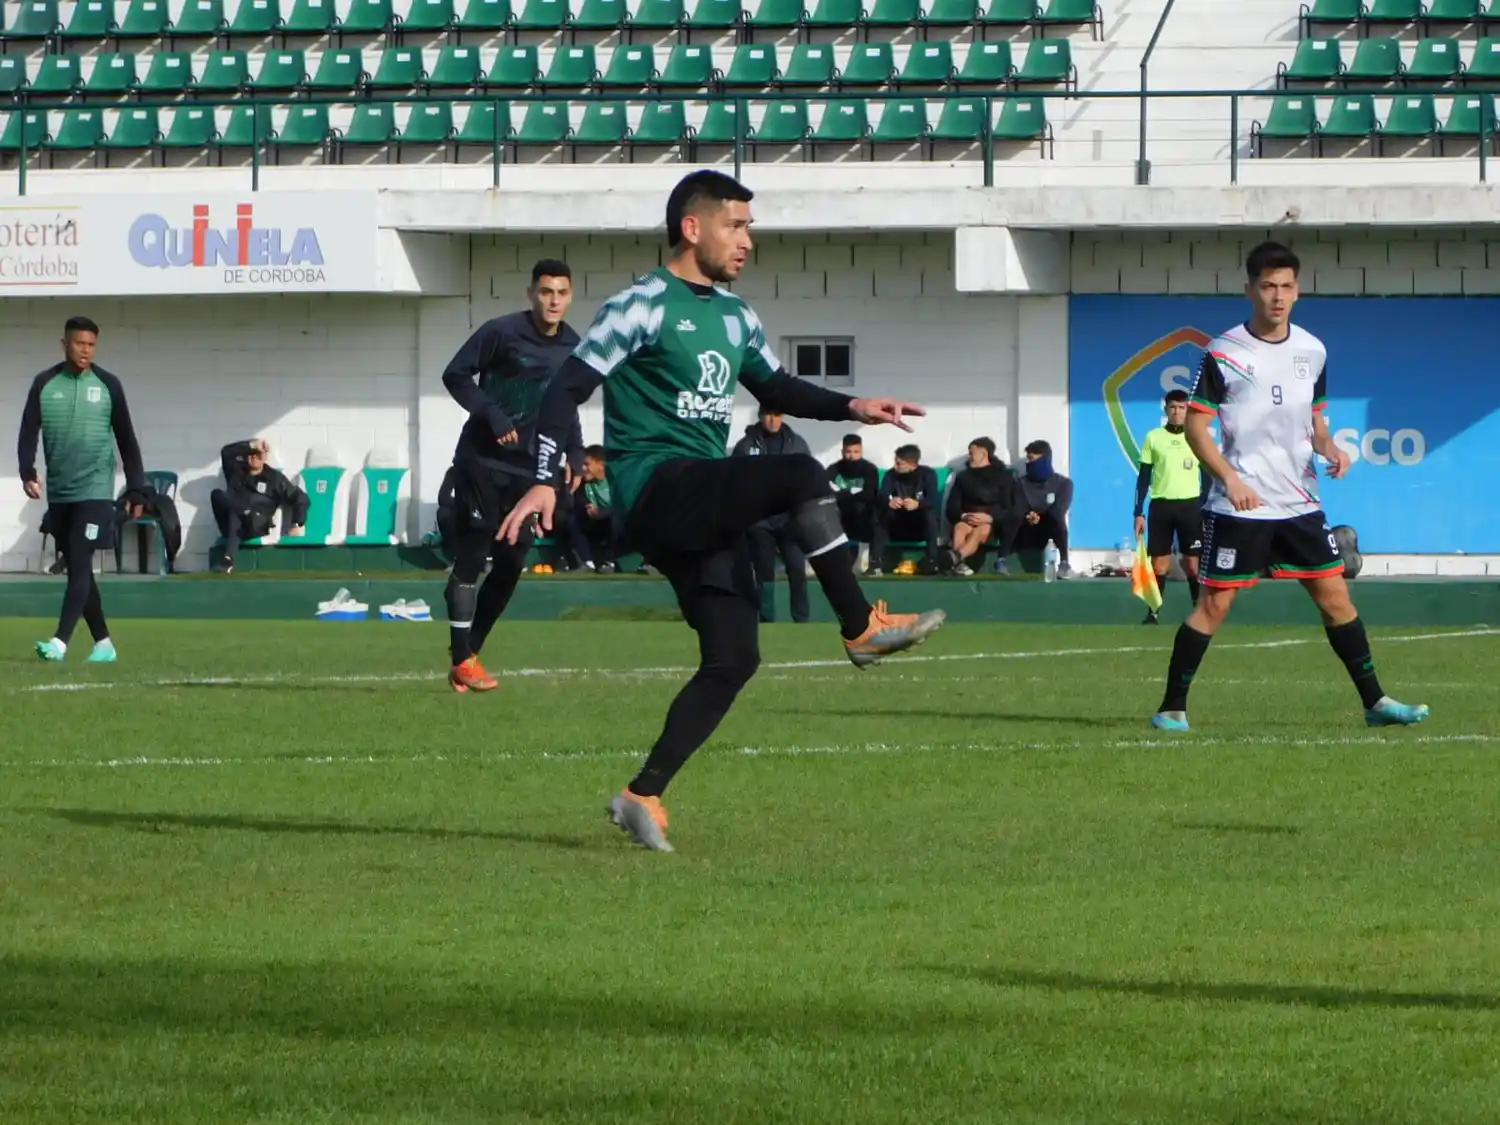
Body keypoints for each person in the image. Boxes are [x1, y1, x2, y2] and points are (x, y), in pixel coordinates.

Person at [498, 169, 946, 853]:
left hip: (699, 505)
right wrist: (543, 479)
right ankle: (860, 625)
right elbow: (566, 390)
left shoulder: (736, 316)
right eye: (737, 225)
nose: (748, 240)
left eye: (749, 227)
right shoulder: (641, 304)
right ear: (692, 227)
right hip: (655, 487)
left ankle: (641, 793)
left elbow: (777, 385)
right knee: (797, 470)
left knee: (734, 657)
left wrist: (854, 405)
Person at [1151, 241, 1428, 732]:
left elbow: (1317, 420)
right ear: (1250, 290)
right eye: (1268, 286)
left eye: (1286, 286)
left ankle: (1376, 702)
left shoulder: (1313, 350)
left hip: (1300, 504)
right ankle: (1172, 708)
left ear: (1297, 291)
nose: (1278, 296)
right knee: (1214, 605)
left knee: (1336, 598)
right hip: (1240, 508)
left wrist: (1329, 447)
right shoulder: (1223, 352)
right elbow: (1196, 428)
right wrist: (1230, 479)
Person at [440, 258, 584, 693]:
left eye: (561, 293)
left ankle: (467, 653)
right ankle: (463, 655)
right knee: (474, 553)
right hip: (481, 462)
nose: (553, 300)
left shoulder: (574, 346)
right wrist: (493, 416)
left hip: (529, 473)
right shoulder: (499, 332)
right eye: (545, 292)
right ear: (531, 294)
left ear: (570, 297)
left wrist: (574, 452)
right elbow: (455, 375)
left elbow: (567, 404)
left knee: (512, 562)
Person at [17, 316, 145, 663]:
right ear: (65, 344)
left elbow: (127, 440)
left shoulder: (108, 385)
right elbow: (28, 430)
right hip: (60, 493)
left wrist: (137, 490)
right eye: (79, 344)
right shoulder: (45, 383)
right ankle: (104, 643)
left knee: (80, 557)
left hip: (96, 491)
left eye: (91, 345)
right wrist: (27, 470)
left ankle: (59, 642)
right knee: (78, 568)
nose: (85, 350)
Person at [731, 406, 812, 624]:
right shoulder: (746, 446)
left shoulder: (797, 444)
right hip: (760, 521)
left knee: (797, 570)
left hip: (790, 520)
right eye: (768, 415)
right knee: (764, 573)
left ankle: (801, 620)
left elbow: (808, 478)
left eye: (777, 415)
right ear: (760, 416)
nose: (773, 420)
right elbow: (733, 481)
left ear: (783, 416)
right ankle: (767, 621)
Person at [1133, 389, 1205, 623]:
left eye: (1182, 407)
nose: (1177, 411)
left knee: (1193, 566)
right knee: (1159, 565)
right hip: (1161, 507)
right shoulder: (1154, 437)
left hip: (1190, 507)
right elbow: (1143, 477)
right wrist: (1138, 512)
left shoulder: (1197, 437)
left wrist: (1207, 507)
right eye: (1173, 407)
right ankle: (1152, 612)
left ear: (1188, 410)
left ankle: (1200, 612)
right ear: (1166, 410)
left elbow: (1209, 476)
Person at [211, 438, 309, 573]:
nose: (254, 457)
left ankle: (228, 561)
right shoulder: (236, 472)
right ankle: (242, 512)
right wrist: (251, 444)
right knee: (217, 495)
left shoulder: (274, 479)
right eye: (251, 453)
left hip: (256, 524)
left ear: (265, 457)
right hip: (231, 523)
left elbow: (300, 498)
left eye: (258, 454)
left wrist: (297, 523)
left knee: (238, 512)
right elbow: (226, 452)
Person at [944, 437, 1020, 578]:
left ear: (983, 454)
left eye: (972, 453)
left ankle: (955, 556)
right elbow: (951, 507)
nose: (969, 456)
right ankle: (959, 564)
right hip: (967, 520)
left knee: (982, 529)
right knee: (959, 527)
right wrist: (964, 516)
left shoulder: (1004, 476)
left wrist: (989, 517)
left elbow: (1011, 509)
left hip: (993, 524)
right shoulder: (963, 477)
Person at [995, 440, 1073, 577]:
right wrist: (1029, 515)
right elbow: (1020, 506)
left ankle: (1064, 563)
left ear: (1044, 459)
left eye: (1032, 459)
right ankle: (1001, 560)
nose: (1028, 463)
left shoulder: (1063, 483)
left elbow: (1059, 508)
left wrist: (1039, 515)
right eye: (1027, 459)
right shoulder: (1020, 483)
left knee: (1057, 517)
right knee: (1015, 514)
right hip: (1025, 529)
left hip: (1048, 531)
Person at [867, 444, 940, 576]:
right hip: (897, 525)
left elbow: (932, 499)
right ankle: (875, 564)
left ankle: (931, 561)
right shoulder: (891, 475)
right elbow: (882, 494)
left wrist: (917, 504)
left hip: (919, 527)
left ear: (912, 464)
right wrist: (890, 502)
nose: (895, 466)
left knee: (930, 516)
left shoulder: (927, 474)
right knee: (881, 514)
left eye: (899, 463)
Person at [562, 444, 618, 572]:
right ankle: (587, 563)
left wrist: (601, 513)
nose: (583, 468)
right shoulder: (581, 482)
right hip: (594, 524)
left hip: (615, 526)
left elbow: (623, 509)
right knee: (572, 521)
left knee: (614, 520)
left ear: (600, 464)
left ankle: (610, 563)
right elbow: (576, 504)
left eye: (587, 464)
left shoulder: (615, 479)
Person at [827, 434, 879, 564]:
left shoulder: (869, 469)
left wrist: (842, 493)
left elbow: (869, 495)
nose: (852, 456)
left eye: (856, 452)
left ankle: (863, 558)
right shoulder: (834, 469)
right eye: (848, 452)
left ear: (861, 451)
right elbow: (825, 490)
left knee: (864, 509)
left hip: (861, 512)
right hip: (839, 510)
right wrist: (852, 493)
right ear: (842, 452)